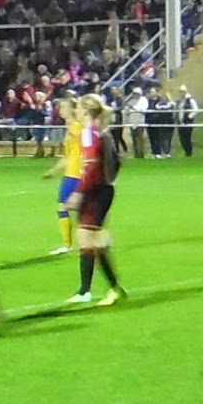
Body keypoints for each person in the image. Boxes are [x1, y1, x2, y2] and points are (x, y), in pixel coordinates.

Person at [67, 94, 126, 306]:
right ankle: (85, 291)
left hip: (96, 192)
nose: (76, 112)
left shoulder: (89, 133)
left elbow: (91, 166)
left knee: (92, 241)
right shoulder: (99, 132)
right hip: (100, 189)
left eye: (79, 108)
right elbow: (116, 162)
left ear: (85, 111)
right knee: (86, 239)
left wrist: (79, 192)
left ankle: (114, 288)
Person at [42, 95, 82, 255]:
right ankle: (70, 244)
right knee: (67, 207)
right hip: (71, 172)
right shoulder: (71, 128)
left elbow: (85, 150)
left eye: (64, 107)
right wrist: (53, 171)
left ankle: (69, 244)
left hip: (77, 174)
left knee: (68, 207)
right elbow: (69, 156)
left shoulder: (76, 128)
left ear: (73, 109)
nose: (61, 110)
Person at [176, 85, 199, 157]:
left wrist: (189, 116)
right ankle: (186, 152)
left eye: (182, 91)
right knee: (181, 138)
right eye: (180, 91)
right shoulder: (180, 101)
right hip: (180, 122)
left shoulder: (190, 100)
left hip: (188, 122)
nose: (181, 93)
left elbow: (196, 109)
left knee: (187, 138)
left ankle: (189, 153)